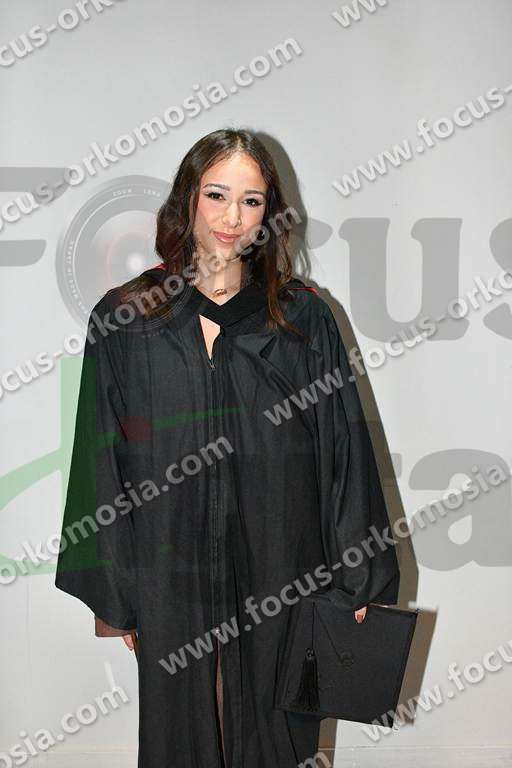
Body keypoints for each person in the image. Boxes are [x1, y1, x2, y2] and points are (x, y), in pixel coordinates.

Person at [55, 128, 400, 767]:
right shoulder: (129, 319)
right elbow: (101, 460)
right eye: (216, 194)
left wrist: (360, 580)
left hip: (283, 568)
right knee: (182, 734)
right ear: (188, 199)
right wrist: (119, 594)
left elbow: (344, 454)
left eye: (251, 200)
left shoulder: (301, 319)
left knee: (276, 732)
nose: (232, 217)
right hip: (171, 576)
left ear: (270, 213)